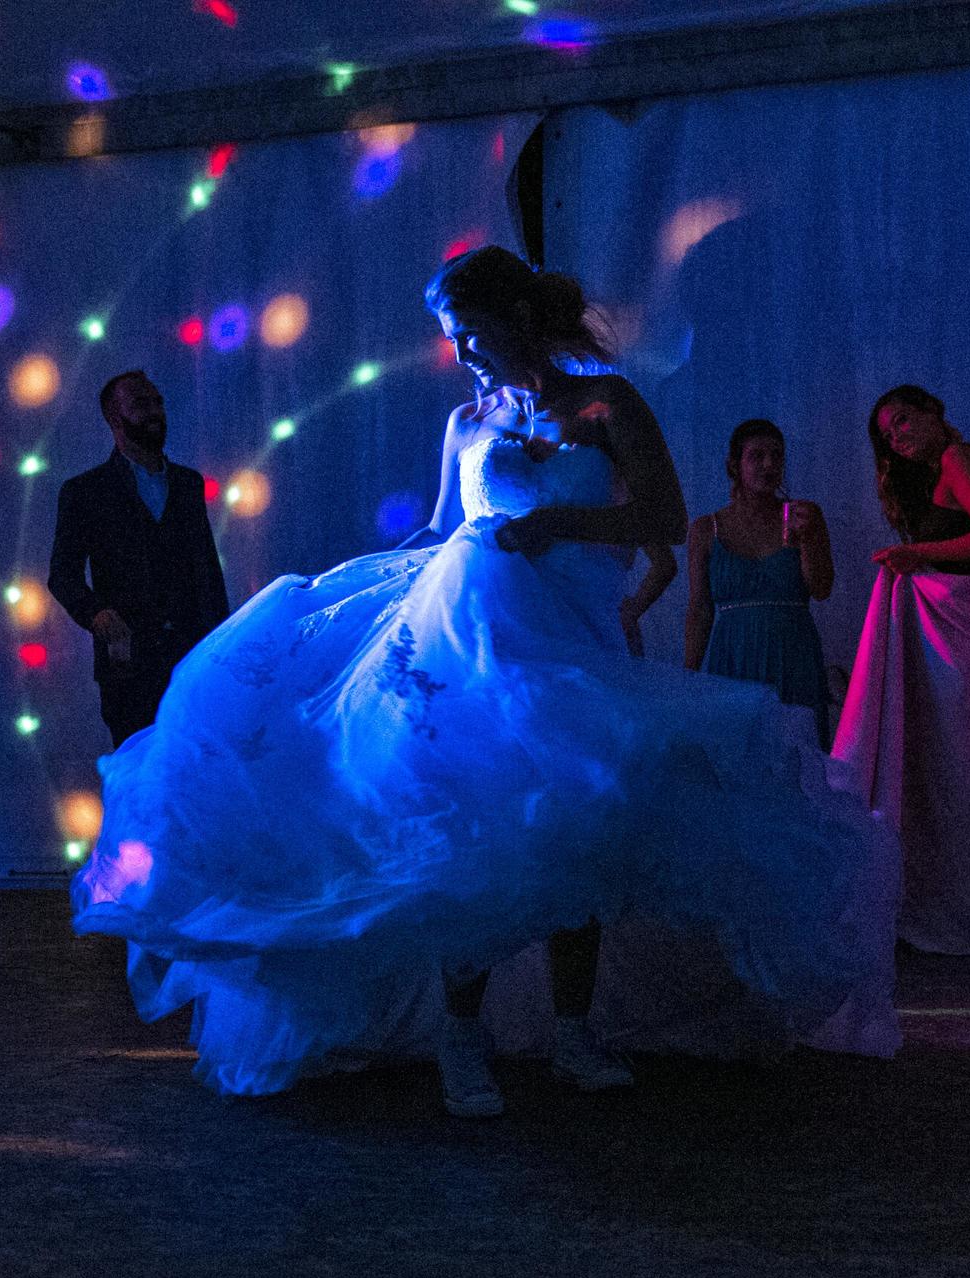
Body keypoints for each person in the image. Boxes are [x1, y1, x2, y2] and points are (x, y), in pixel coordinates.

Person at [71, 246, 899, 1109]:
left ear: (517, 319)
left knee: (584, 823)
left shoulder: (606, 404)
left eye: (469, 332)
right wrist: (350, 596)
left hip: (576, 644)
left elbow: (661, 514)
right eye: (450, 337)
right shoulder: (468, 421)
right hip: (480, 654)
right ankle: (460, 1036)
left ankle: (574, 1030)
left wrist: (557, 524)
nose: (460, 352)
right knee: (470, 826)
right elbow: (440, 531)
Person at [833, 385, 970, 955]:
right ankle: (959, 907)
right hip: (953, 628)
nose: (897, 436)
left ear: (932, 413)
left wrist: (919, 555)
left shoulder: (958, 459)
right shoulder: (929, 474)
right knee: (950, 772)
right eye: (887, 433)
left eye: (902, 420)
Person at [48, 371, 230, 748]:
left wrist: (223, 645)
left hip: (194, 660)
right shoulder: (85, 492)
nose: (155, 412)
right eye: (140, 404)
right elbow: (63, 575)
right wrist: (97, 614)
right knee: (142, 767)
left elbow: (208, 572)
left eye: (158, 402)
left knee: (198, 765)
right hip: (130, 669)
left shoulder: (188, 484)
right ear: (114, 418)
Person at [684, 419, 835, 745]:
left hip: (792, 652)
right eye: (757, 456)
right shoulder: (705, 529)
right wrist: (688, 677)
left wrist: (808, 540)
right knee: (737, 752)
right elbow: (700, 608)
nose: (769, 465)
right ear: (734, 465)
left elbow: (821, 589)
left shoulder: (803, 516)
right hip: (734, 654)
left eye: (777, 456)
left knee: (797, 752)